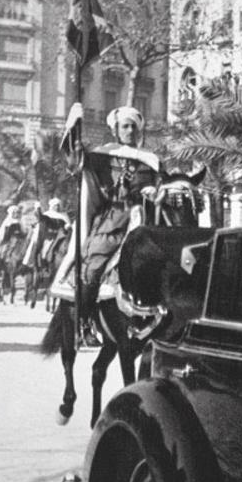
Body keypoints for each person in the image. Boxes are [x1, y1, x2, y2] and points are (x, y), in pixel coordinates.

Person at [55, 104, 160, 320]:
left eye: (133, 127)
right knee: (93, 264)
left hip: (144, 219)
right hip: (111, 220)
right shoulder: (101, 156)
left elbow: (164, 186)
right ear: (116, 130)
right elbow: (74, 160)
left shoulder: (150, 161)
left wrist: (156, 192)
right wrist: (74, 126)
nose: (130, 131)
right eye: (125, 127)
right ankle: (86, 317)